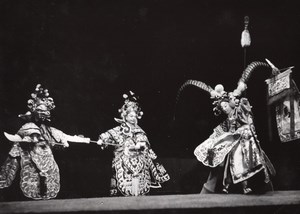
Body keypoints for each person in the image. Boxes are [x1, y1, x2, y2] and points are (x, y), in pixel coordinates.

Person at [177, 62, 276, 194]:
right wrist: (214, 137)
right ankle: (211, 188)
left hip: (245, 141)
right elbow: (223, 128)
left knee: (255, 159)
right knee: (219, 161)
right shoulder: (227, 119)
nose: (224, 109)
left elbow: (248, 118)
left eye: (225, 106)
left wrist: (247, 124)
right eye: (222, 108)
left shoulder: (240, 108)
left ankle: (266, 187)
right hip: (231, 143)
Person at [0, 84, 90, 200]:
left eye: (45, 111)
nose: (44, 113)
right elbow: (19, 137)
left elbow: (63, 136)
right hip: (31, 155)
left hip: (47, 156)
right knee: (30, 173)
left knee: (51, 174)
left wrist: (82, 140)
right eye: (40, 110)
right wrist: (29, 140)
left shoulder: (48, 129)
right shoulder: (28, 127)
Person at [97, 91, 170, 196]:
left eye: (135, 116)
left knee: (141, 188)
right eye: (130, 116)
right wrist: (103, 139)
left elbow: (144, 142)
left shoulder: (140, 131)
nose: (133, 118)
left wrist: (140, 146)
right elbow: (108, 135)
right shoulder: (118, 129)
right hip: (123, 162)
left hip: (140, 163)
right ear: (125, 116)